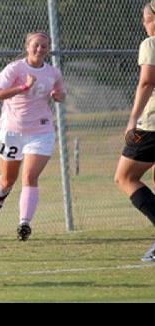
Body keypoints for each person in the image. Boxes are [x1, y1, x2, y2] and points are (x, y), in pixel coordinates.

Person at [0, 31, 66, 241]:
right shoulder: (15, 69)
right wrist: (23, 87)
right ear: (27, 46)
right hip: (12, 132)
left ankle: (24, 224)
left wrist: (59, 96)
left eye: (44, 46)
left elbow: (60, 92)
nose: (40, 49)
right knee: (8, 180)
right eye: (36, 45)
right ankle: (1, 192)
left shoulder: (53, 73)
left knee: (30, 177)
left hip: (41, 131)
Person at [114, 1, 155, 262]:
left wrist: (132, 118)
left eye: (145, 17)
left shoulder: (151, 43)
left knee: (125, 177)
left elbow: (148, 81)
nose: (143, 22)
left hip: (152, 125)